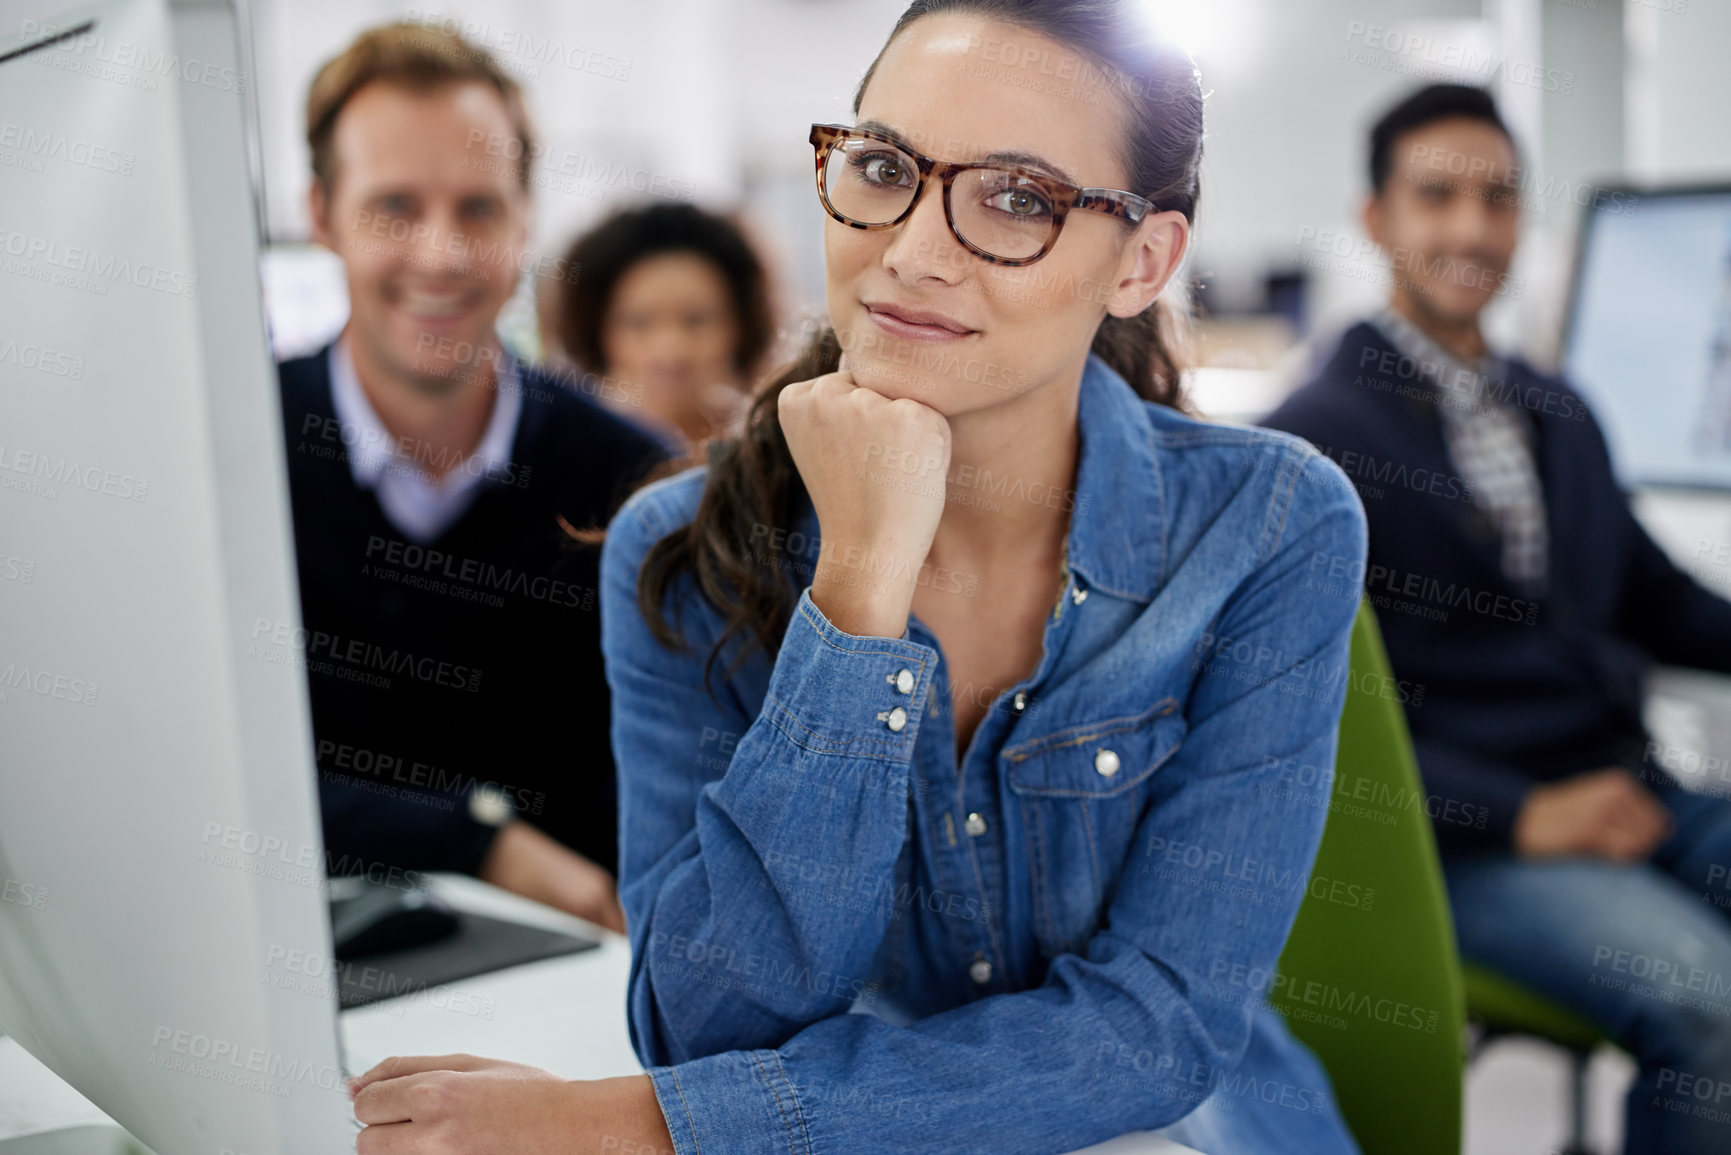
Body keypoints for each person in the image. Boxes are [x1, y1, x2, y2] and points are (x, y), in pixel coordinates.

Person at [347, 3, 1368, 1151]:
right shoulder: (679, 549)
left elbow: (1158, 1031)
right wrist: (859, 591)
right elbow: (703, 1028)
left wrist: (652, 1129)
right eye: (884, 168)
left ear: (1143, 263)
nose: (912, 250)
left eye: (1017, 199)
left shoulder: (1271, 523)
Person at [1263, 83, 1731, 1153]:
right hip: (1463, 842)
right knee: (1709, 1008)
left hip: (1628, 792)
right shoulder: (1311, 442)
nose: (1473, 227)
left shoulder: (1558, 412)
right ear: (1377, 218)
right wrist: (1524, 814)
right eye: (1438, 197)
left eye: (1499, 198)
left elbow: (1655, 596)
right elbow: (1316, 720)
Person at [280, 23, 667, 932]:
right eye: (395, 207)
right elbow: (185, 781)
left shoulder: (635, 480)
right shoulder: (229, 457)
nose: (441, 254)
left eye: (479, 209)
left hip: (576, 986)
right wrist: (475, 839)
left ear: (526, 219)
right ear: (321, 215)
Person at [539, 203, 775, 449]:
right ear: (596, 334)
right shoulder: (565, 459)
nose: (669, 349)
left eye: (696, 319)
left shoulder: (777, 454)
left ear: (742, 327)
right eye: (638, 322)